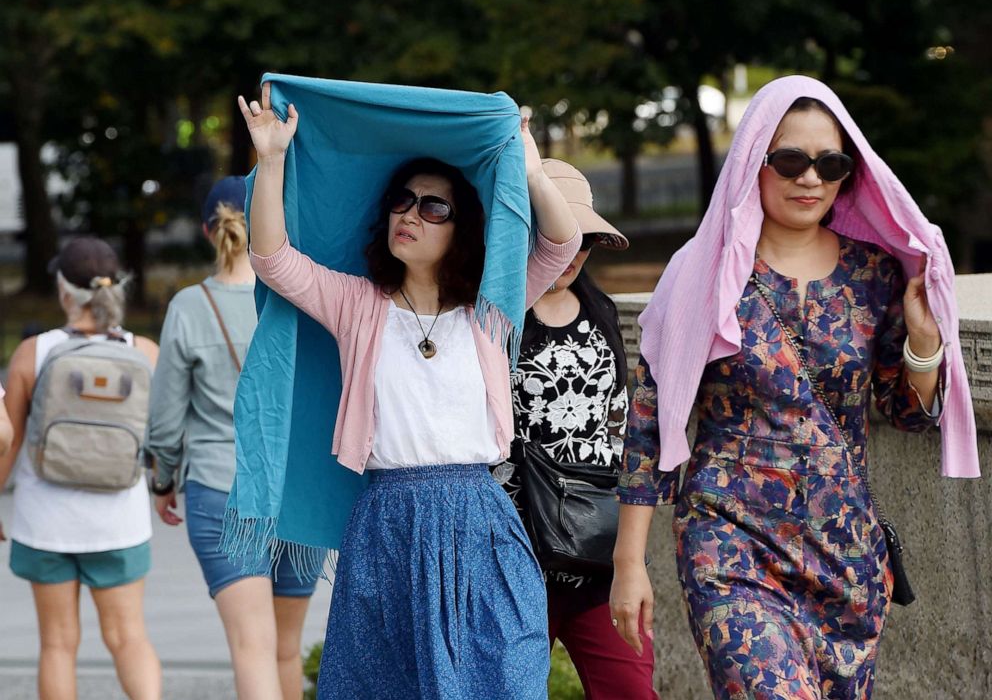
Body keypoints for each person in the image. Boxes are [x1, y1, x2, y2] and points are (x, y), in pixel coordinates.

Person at [611, 75, 979, 699]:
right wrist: (628, 564)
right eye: (790, 159)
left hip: (847, 557)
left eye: (830, 163)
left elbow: (908, 413)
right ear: (755, 160)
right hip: (730, 547)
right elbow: (648, 423)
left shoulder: (876, 275)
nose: (810, 178)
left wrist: (922, 342)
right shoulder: (700, 273)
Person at [237, 82, 579, 699]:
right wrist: (272, 159)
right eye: (401, 201)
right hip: (388, 521)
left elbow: (562, 243)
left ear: (462, 227)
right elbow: (273, 258)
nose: (410, 214)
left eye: (433, 207)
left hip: (481, 516)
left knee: (505, 677)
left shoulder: (491, 309)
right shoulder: (358, 306)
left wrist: (526, 165)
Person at [143, 177, 316, 700]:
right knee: (286, 648)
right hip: (298, 492)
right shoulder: (302, 296)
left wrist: (164, 479)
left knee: (251, 648)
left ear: (205, 230)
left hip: (222, 489)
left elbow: (167, 416)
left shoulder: (189, 307)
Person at [496, 159, 658, 699]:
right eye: (556, 232)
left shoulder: (603, 310)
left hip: (596, 552)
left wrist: (632, 559)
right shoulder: (494, 315)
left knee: (631, 690)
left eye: (583, 237)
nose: (571, 250)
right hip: (515, 554)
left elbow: (627, 432)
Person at [0, 236, 162, 700]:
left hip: (45, 522)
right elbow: (161, 437)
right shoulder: (145, 352)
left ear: (64, 291)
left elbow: (7, 442)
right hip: (119, 523)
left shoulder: (33, 353)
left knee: (57, 644)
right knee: (128, 638)